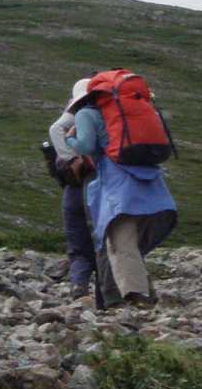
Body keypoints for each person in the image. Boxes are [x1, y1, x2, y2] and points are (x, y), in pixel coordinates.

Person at [67, 79, 178, 307]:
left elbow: (86, 146)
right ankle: (147, 295)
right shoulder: (129, 112)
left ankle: (136, 297)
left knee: (119, 242)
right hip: (152, 187)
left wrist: (70, 138)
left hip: (118, 185)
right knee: (133, 246)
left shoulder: (86, 113)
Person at [48, 79, 101, 303]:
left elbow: (55, 129)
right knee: (105, 241)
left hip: (75, 185)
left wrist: (71, 159)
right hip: (102, 183)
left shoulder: (76, 115)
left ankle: (79, 287)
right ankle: (107, 296)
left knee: (78, 244)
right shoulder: (106, 113)